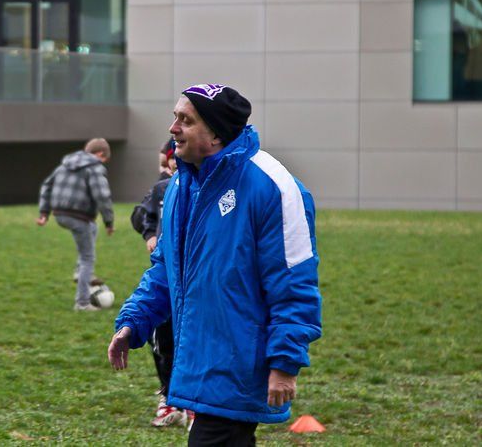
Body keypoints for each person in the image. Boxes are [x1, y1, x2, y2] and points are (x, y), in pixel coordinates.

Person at [108, 84, 322, 446]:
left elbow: (293, 283)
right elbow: (165, 270)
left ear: (216, 134)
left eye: (186, 120)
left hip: (240, 362)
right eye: (175, 117)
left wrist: (285, 363)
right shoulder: (181, 185)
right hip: (199, 359)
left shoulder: (274, 186)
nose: (173, 128)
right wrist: (134, 320)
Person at [139, 147, 190, 428]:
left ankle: (195, 405)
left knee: (194, 339)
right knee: (162, 339)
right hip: (166, 275)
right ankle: (169, 398)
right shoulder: (162, 189)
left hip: (198, 280)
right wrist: (149, 234)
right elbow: (141, 216)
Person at [37, 138, 115, 311]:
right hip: (79, 216)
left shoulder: (64, 165)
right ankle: (82, 303)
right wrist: (109, 221)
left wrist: (44, 213)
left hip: (60, 214)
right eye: (105, 160)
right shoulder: (95, 167)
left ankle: (80, 272)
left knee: (92, 228)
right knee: (88, 258)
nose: (104, 163)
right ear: (100, 154)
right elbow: (102, 196)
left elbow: (46, 186)